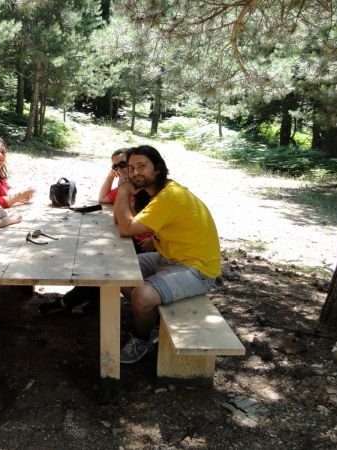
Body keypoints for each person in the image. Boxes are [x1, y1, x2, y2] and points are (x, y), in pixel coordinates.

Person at [114, 145, 221, 364]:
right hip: (168, 258)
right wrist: (154, 239)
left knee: (141, 295)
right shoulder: (159, 193)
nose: (135, 173)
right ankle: (150, 317)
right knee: (117, 271)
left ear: (159, 168)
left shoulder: (169, 196)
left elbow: (125, 227)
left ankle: (142, 339)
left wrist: (123, 192)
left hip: (196, 270)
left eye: (142, 166)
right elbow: (122, 220)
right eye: (131, 168)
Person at [38, 149, 151, 316]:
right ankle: (92, 300)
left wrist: (124, 193)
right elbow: (105, 200)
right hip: (130, 236)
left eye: (123, 165)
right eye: (116, 167)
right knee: (101, 257)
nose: (120, 170)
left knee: (104, 263)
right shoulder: (127, 185)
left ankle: (67, 302)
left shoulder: (143, 190)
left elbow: (128, 222)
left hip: (145, 243)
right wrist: (116, 182)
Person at [0, 135, 35, 209]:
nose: (1, 155)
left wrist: (24, 194)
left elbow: (8, 191)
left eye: (3, 152)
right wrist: (20, 195)